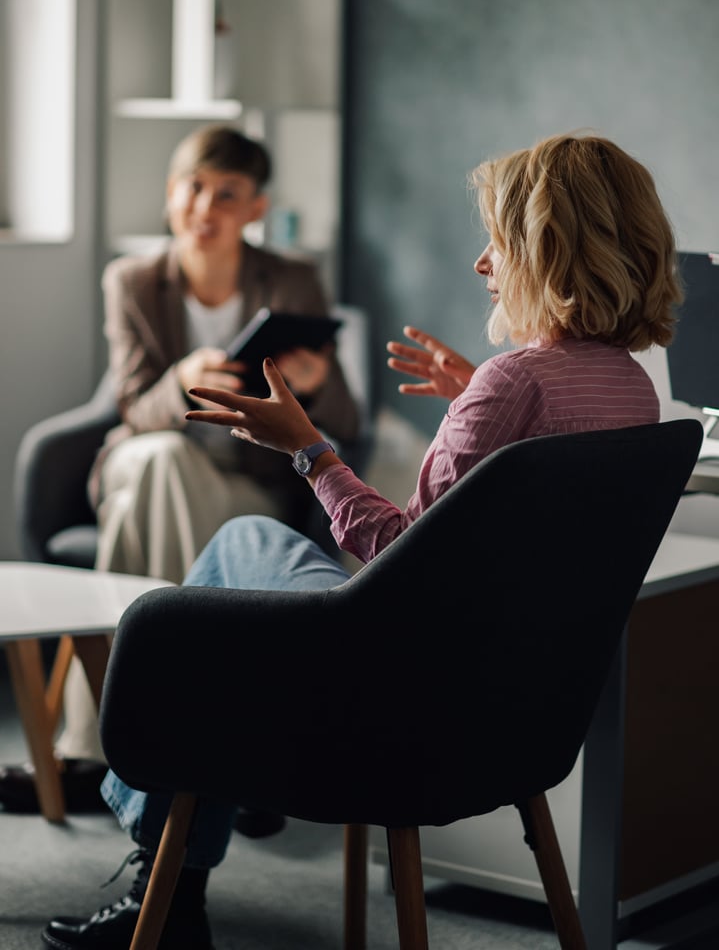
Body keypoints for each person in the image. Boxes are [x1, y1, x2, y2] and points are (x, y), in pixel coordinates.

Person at [41, 132, 681, 950]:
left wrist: (308, 451)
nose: (484, 264)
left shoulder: (514, 381)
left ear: (546, 249)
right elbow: (512, 520)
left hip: (394, 695)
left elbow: (396, 548)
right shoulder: (632, 391)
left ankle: (164, 880)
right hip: (512, 711)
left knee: (233, 555)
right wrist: (472, 401)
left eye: (498, 241)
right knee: (225, 612)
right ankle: (190, 833)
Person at [0, 125, 359, 821]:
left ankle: (100, 752)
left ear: (255, 208)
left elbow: (343, 414)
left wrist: (311, 385)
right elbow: (131, 408)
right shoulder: (134, 281)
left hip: (246, 478)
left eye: (227, 194)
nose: (205, 206)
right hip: (148, 453)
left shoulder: (291, 279)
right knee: (157, 461)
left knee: (144, 495)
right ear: (171, 195)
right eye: (193, 188)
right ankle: (224, 752)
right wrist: (183, 381)